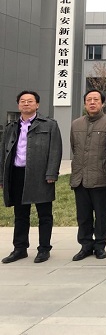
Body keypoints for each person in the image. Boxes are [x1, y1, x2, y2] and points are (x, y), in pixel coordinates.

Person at [1, 90, 62, 264]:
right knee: (20, 214)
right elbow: (3, 153)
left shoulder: (49, 125)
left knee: (44, 214)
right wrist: (2, 178)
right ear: (18, 104)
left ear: (37, 104)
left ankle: (44, 249)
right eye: (22, 101)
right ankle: (19, 248)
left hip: (40, 175)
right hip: (17, 174)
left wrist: (51, 173)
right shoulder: (11, 127)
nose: (26, 104)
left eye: (30, 101)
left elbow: (55, 150)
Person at [69, 89, 106, 261]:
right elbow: (74, 148)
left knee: (101, 215)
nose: (92, 103)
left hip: (101, 177)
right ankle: (85, 245)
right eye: (89, 100)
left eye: (96, 100)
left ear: (102, 103)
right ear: (84, 103)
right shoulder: (76, 124)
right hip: (80, 178)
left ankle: (100, 245)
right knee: (83, 215)